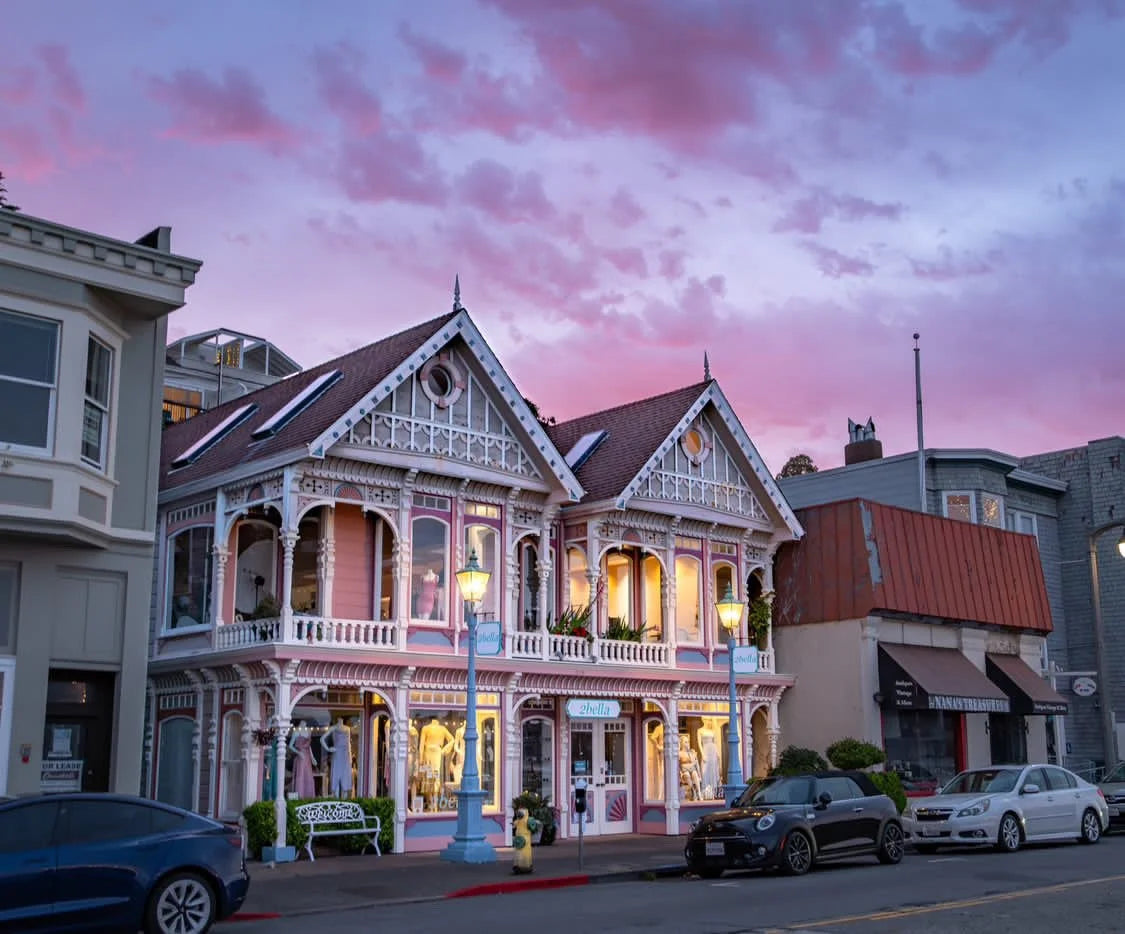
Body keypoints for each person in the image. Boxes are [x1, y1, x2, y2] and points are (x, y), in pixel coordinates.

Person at [320, 718, 353, 798]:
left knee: (345, 777)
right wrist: (328, 748)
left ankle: (344, 803)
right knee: (336, 775)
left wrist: (350, 756)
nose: (340, 719)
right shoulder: (333, 728)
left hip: (345, 756)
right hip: (337, 754)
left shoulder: (348, 729)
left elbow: (348, 743)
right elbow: (322, 739)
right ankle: (337, 800)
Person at [289, 721, 317, 798]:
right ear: (300, 723)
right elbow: (290, 745)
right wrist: (298, 752)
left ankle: (309, 797)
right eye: (303, 722)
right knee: (301, 776)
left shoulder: (308, 731)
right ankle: (300, 796)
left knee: (308, 776)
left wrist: (312, 757)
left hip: (307, 756)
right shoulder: (296, 731)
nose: (304, 723)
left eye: (305, 723)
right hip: (301, 756)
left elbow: (309, 746)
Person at [697, 719, 721, 797]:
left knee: (713, 771)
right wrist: (702, 754)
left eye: (710, 720)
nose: (709, 722)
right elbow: (699, 744)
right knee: (705, 771)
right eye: (708, 720)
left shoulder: (712, 731)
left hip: (713, 751)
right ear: (703, 720)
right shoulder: (700, 730)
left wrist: (717, 753)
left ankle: (714, 793)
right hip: (705, 750)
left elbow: (714, 743)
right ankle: (706, 794)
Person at [679, 734, 702, 801]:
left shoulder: (691, 752)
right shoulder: (679, 753)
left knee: (694, 773)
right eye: (685, 742)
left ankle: (699, 793)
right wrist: (680, 773)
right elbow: (679, 766)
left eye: (688, 742)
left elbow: (696, 764)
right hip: (684, 772)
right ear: (682, 743)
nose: (687, 743)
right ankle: (693, 790)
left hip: (691, 769)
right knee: (687, 774)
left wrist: (699, 775)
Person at [647, 722, 665, 799]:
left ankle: (668, 793)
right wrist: (657, 745)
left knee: (670, 773)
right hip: (663, 751)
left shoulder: (670, 725)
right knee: (662, 773)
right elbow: (652, 737)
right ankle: (661, 795)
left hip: (670, 751)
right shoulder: (659, 728)